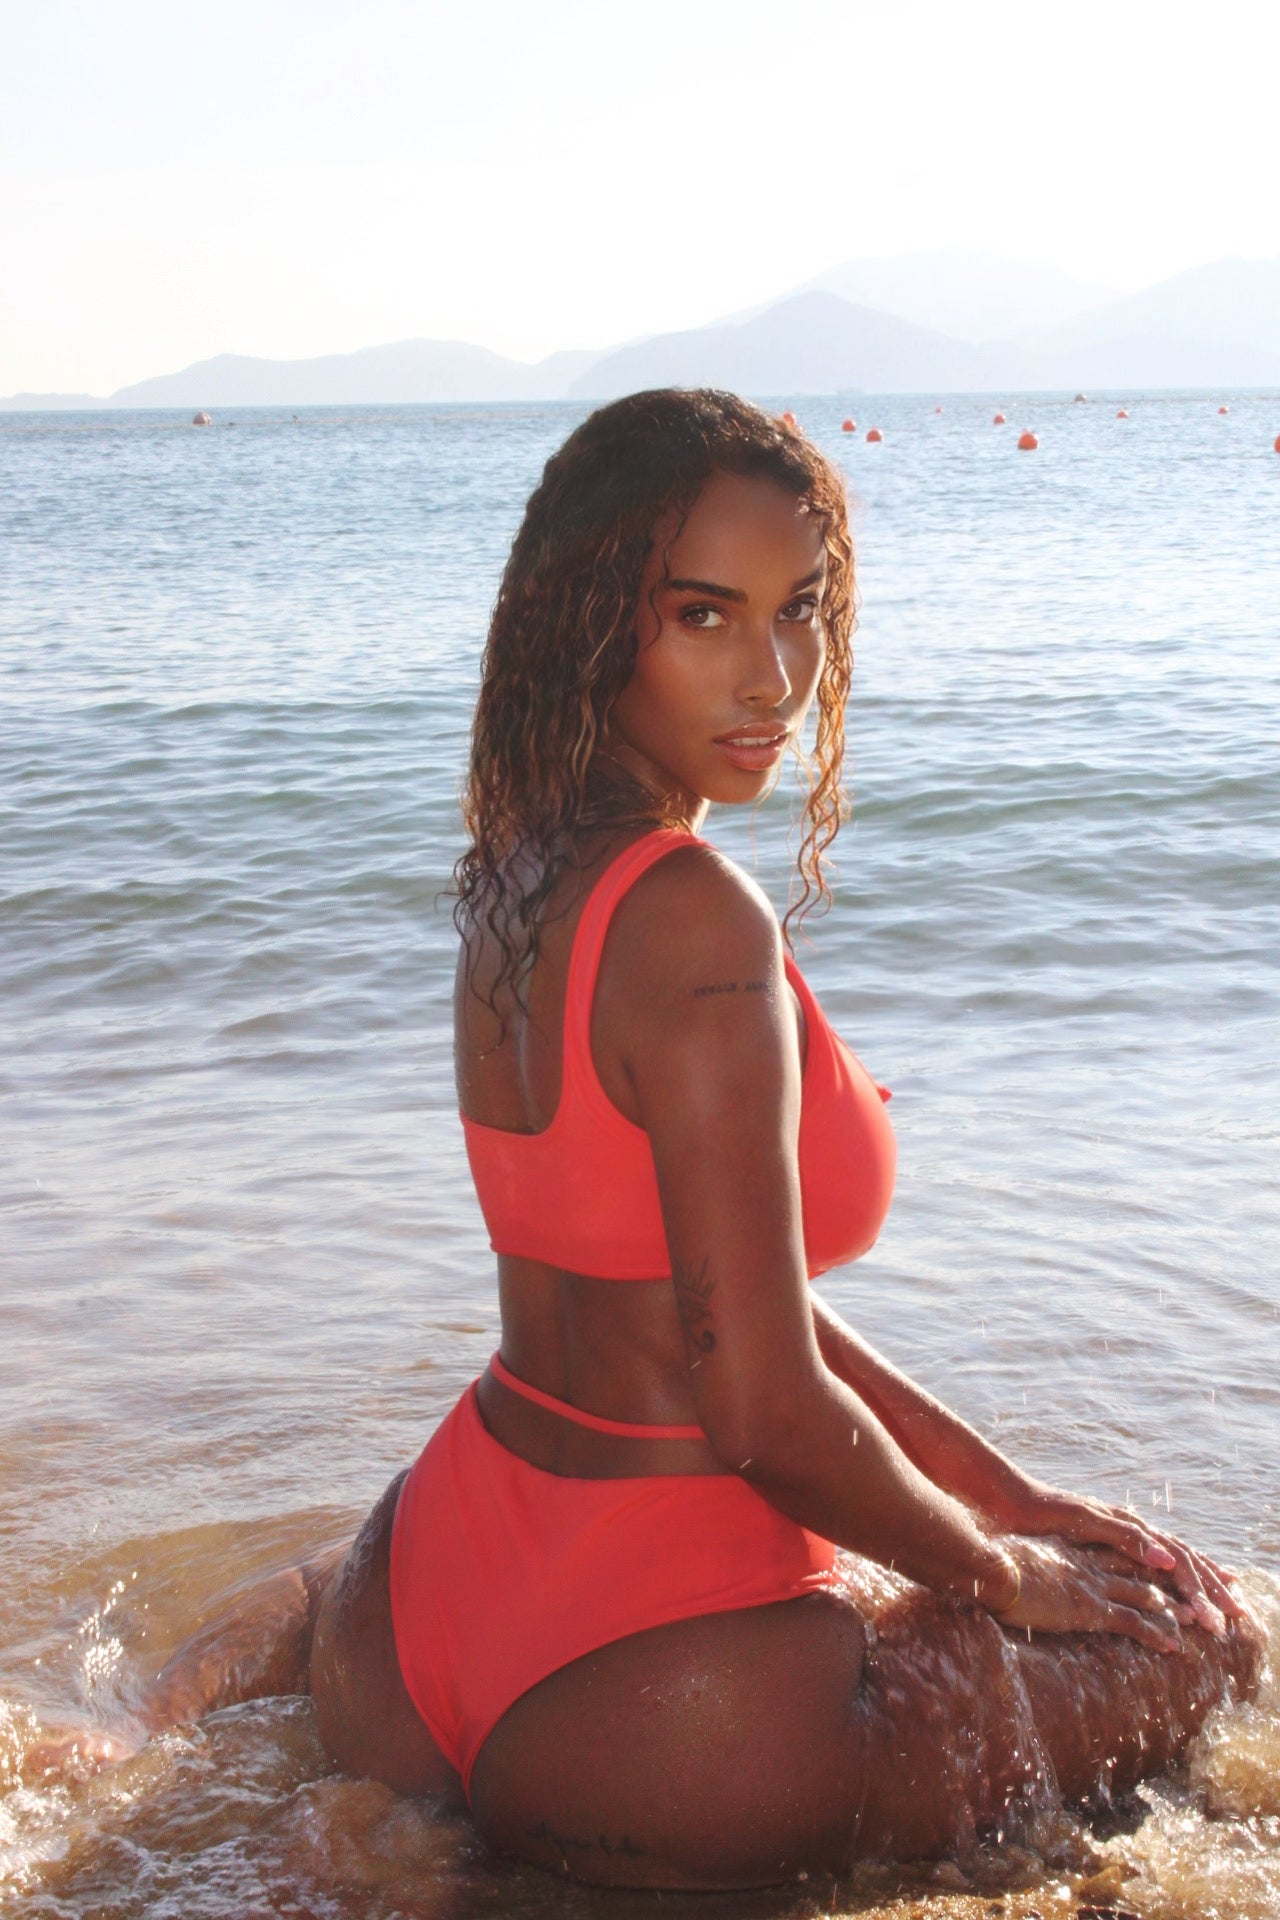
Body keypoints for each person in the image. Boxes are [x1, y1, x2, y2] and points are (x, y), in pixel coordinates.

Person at [33, 389, 1262, 1889]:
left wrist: (1011, 1497)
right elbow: (764, 1408)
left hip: (422, 1607)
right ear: (592, 622)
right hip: (661, 1702)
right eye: (703, 615)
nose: (774, 675)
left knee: (338, 1594)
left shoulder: (520, 867)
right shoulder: (693, 919)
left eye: (799, 609)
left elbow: (710, 1297)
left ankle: (172, 1746)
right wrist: (1001, 1568)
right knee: (1206, 1641)